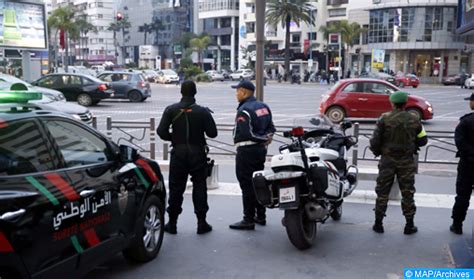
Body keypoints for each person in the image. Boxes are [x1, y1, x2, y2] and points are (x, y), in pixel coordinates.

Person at [157, 80, 218, 235]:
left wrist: (174, 138)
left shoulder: (171, 110)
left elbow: (161, 131)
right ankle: (201, 223)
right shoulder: (203, 112)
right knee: (199, 186)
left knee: (176, 187)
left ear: (181, 92)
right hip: (198, 153)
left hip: (178, 153)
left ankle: (172, 223)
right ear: (195, 92)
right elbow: (213, 133)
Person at [369, 91, 428, 235]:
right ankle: (409, 225)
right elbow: (423, 140)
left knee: (382, 192)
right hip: (406, 162)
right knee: (407, 192)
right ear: (405, 103)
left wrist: (378, 152)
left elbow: (375, 141)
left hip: (387, 161)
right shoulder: (414, 119)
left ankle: (378, 224)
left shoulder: (384, 118)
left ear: (392, 103)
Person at [229, 80, 276, 230]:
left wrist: (262, 139)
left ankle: (248, 219)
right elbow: (271, 128)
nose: (236, 93)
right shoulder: (263, 106)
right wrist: (266, 139)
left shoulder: (244, 110)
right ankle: (260, 216)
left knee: (247, 185)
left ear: (244, 92)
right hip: (260, 151)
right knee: (258, 182)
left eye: (237, 90)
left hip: (246, 151)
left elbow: (246, 133)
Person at [450, 93, 474, 234]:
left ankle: (457, 225)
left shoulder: (466, 121)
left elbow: (459, 141)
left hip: (468, 164)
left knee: (462, 195)